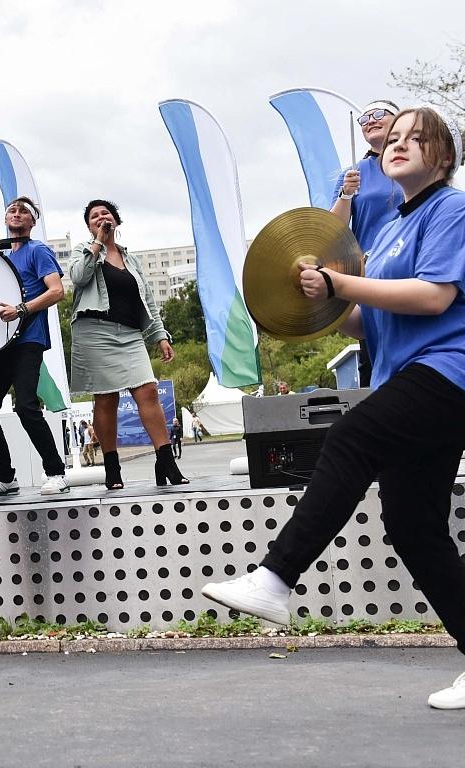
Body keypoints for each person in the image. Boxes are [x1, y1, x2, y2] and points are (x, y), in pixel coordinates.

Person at [202, 107, 465, 711]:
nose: (396, 145)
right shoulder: (388, 228)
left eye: (414, 137)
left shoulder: (451, 209)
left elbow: (433, 297)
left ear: (444, 156)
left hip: (449, 372)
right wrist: (317, 302)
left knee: (350, 436)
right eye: (391, 139)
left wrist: (341, 283)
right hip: (411, 376)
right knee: (414, 527)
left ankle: (276, 577)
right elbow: (370, 321)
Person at [69, 199, 187, 490]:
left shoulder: (131, 260)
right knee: (106, 398)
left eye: (105, 213)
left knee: (148, 390)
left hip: (131, 334)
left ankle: (166, 461)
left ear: (116, 221)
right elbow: (78, 277)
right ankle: (112, 468)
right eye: (94, 216)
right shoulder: (84, 250)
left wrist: (160, 336)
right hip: (95, 332)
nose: (101, 217)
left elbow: (147, 301)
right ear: (89, 226)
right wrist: (97, 243)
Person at [0, 196, 69, 497]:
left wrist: (21, 309)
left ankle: (56, 473)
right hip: (4, 344)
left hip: (29, 341)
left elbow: (57, 291)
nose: (16, 214)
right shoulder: (1, 258)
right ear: (5, 219)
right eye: (11, 210)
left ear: (32, 221)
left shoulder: (37, 250)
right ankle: (5, 477)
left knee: (26, 406)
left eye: (23, 211)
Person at [332, 99, 404, 388]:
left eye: (378, 114)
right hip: (371, 269)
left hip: (412, 263)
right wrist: (346, 194)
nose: (370, 120)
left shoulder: (414, 163)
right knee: (374, 349)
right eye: (364, 118)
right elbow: (333, 228)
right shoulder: (354, 173)